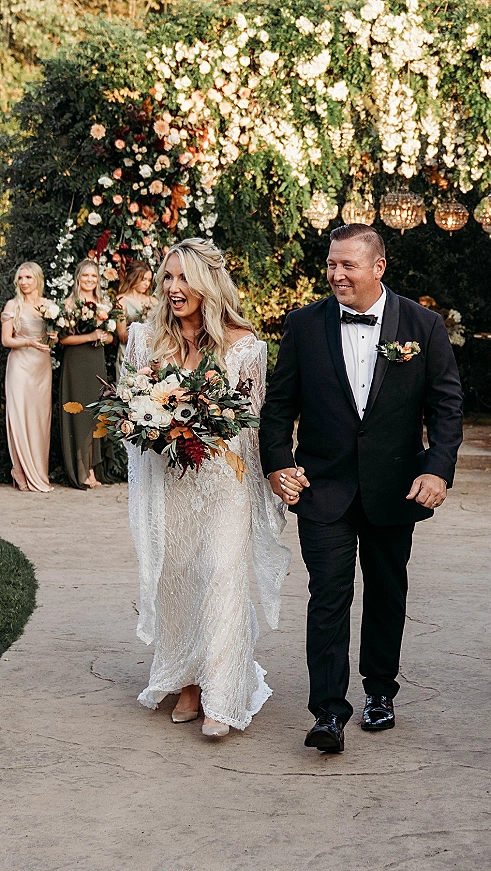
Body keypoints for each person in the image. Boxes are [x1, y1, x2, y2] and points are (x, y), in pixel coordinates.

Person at [260, 224, 463, 753]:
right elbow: (279, 407)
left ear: (378, 267)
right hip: (321, 487)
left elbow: (446, 407)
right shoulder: (304, 325)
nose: (336, 274)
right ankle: (328, 712)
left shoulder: (424, 325)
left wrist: (437, 468)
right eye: (331, 264)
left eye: (348, 265)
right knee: (327, 596)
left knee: (386, 593)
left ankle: (380, 692)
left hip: (395, 488)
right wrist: (278, 464)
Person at [124, 237, 290, 737]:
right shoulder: (145, 341)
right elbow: (133, 411)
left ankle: (224, 692)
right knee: (176, 577)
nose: (174, 289)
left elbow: (256, 426)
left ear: (208, 283)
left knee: (221, 575)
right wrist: (153, 426)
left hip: (226, 484)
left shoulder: (244, 346)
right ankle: (187, 681)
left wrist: (274, 482)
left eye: (184, 278)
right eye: (168, 278)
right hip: (172, 481)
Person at [59, 259, 115, 489]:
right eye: (85, 276)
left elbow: (111, 337)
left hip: (96, 361)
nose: (89, 280)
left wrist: (104, 337)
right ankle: (82, 471)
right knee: (79, 414)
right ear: (78, 278)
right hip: (76, 362)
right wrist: (91, 336)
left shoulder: (104, 304)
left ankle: (94, 468)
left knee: (95, 414)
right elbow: (64, 339)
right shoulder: (69, 304)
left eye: (93, 276)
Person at [1, 262, 53, 492]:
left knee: (40, 420)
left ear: (37, 279)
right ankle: (19, 469)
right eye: (20, 278)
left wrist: (53, 335)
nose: (23, 282)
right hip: (20, 367)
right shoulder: (13, 305)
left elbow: (54, 339)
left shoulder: (49, 306)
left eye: (28, 278)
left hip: (42, 368)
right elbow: (6, 340)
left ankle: (39, 471)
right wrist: (28, 342)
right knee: (20, 416)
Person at [115, 260, 156, 382]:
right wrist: (141, 332)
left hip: (151, 354)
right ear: (134, 278)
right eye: (143, 279)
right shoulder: (121, 301)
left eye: (149, 280)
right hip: (128, 351)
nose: (147, 284)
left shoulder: (154, 301)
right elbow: (122, 335)